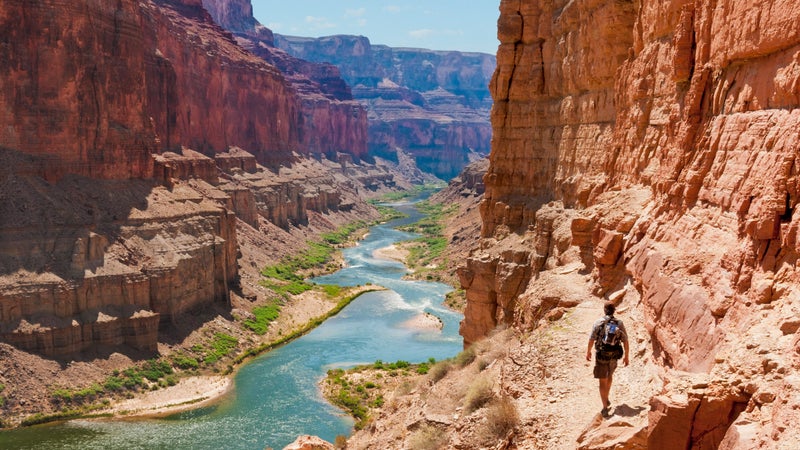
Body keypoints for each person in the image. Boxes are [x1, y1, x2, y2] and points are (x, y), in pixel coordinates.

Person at [586, 301, 629, 416]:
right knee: (609, 375)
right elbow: (625, 340)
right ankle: (607, 397)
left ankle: (605, 407)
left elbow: (591, 339)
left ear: (604, 310)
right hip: (614, 355)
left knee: (602, 380)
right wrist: (626, 356)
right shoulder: (619, 323)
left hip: (601, 355)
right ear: (614, 310)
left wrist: (588, 351)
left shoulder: (598, 322)